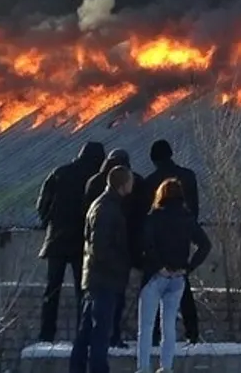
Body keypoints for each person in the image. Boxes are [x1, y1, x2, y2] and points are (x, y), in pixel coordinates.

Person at [135, 178, 212, 373]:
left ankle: (143, 367)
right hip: (178, 277)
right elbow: (205, 245)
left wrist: (159, 266)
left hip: (156, 275)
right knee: (169, 325)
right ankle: (166, 367)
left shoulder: (154, 216)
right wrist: (188, 267)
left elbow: (147, 244)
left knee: (146, 325)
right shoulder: (187, 217)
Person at [37, 140, 106, 341]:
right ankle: (82, 334)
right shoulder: (95, 180)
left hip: (56, 240)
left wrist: (48, 222)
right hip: (80, 244)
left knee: (52, 290)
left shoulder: (60, 172)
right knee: (82, 291)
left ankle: (46, 334)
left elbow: (42, 204)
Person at [69, 164, 134, 373]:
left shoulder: (105, 205)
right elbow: (101, 248)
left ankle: (77, 368)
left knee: (86, 331)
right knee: (100, 333)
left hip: (96, 278)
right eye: (130, 181)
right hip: (103, 280)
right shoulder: (107, 209)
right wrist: (120, 267)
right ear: (122, 184)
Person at [139, 139, 203, 342]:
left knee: (152, 292)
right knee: (184, 291)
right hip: (182, 243)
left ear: (154, 159)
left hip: (158, 248)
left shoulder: (150, 181)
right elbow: (196, 210)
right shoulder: (188, 177)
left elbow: (144, 218)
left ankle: (154, 337)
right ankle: (192, 334)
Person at [85, 148, 145, 346]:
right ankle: (112, 338)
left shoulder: (94, 184)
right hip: (113, 260)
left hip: (95, 262)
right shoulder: (110, 203)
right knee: (110, 306)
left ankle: (100, 344)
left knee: (91, 316)